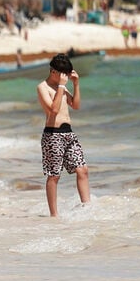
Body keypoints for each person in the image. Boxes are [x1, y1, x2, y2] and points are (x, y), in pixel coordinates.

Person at [37, 53, 90, 217]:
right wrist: (61, 86)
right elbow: (53, 110)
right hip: (53, 135)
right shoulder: (43, 87)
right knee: (54, 176)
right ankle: (54, 215)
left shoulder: (63, 87)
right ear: (53, 71)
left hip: (69, 134)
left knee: (82, 170)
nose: (65, 77)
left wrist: (76, 84)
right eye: (63, 74)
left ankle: (87, 208)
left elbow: (76, 105)